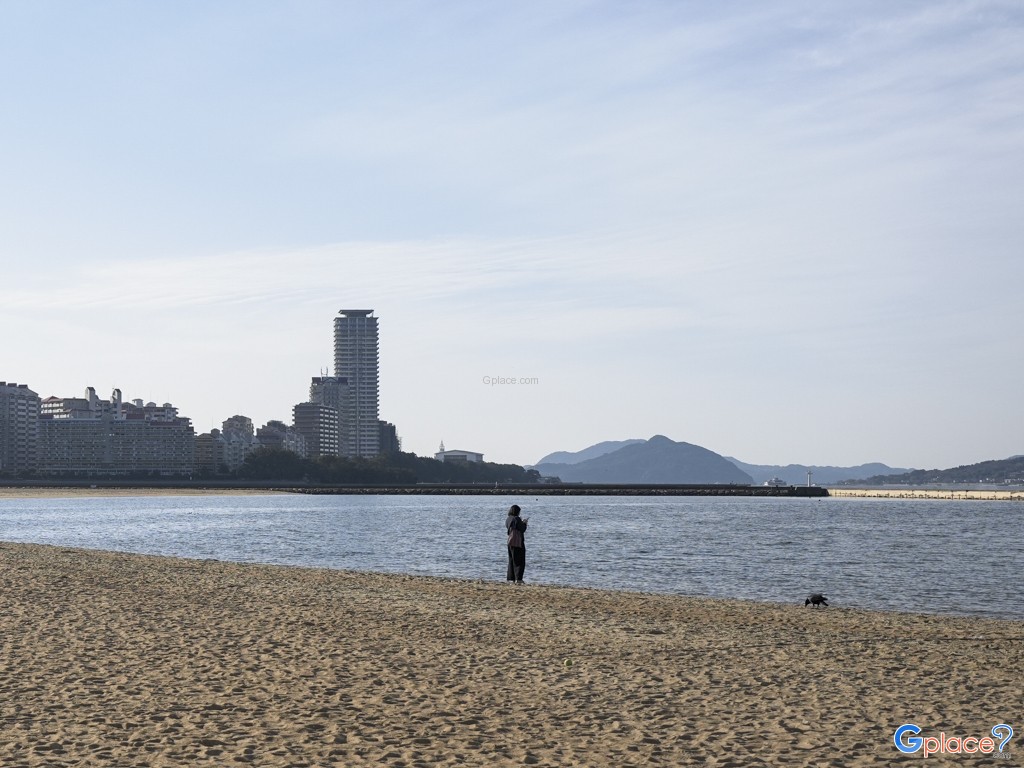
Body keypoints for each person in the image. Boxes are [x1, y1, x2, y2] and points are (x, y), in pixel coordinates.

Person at [505, 504, 529, 583]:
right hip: (518, 542)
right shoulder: (517, 519)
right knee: (520, 560)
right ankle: (518, 578)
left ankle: (511, 578)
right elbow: (522, 529)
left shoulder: (508, 519)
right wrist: (525, 523)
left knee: (511, 560)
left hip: (510, 541)